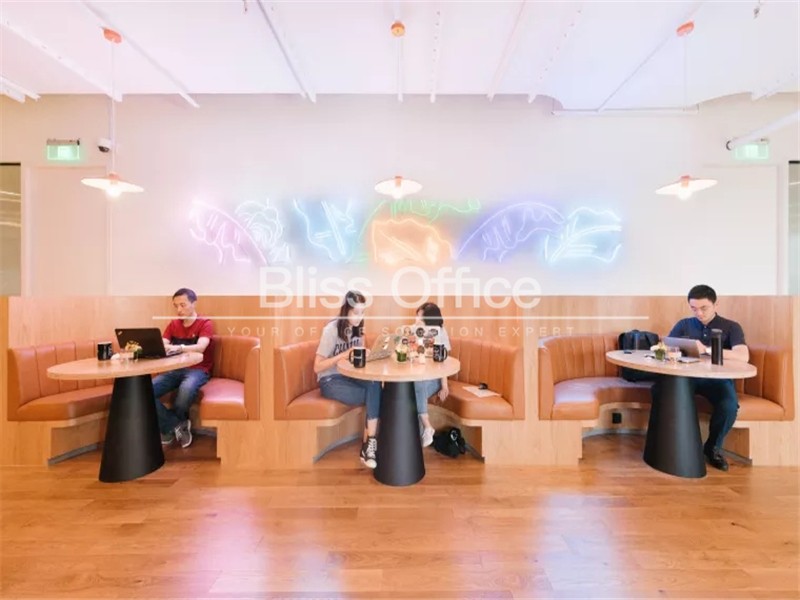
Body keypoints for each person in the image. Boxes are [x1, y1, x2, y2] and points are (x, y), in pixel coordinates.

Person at [658, 284, 749, 471]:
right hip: (687, 377)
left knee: (729, 406)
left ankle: (713, 447)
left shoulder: (731, 327)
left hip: (717, 380)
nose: (698, 313)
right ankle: (673, 445)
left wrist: (707, 349)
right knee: (660, 391)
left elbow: (743, 356)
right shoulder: (684, 324)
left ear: (716, 305)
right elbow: (666, 346)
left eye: (703, 308)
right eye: (694, 308)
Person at [314, 290, 382, 469]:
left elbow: (356, 356)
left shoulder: (358, 328)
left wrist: (367, 353)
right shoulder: (331, 330)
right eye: (356, 313)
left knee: (375, 384)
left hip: (350, 376)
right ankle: (369, 446)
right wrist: (343, 355)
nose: (360, 317)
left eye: (362, 312)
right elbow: (317, 367)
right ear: (346, 311)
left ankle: (369, 445)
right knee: (376, 395)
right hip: (330, 380)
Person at [152, 288, 214, 449]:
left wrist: (178, 347)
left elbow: (201, 347)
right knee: (145, 392)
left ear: (194, 303)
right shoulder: (173, 324)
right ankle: (176, 425)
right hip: (175, 369)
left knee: (185, 390)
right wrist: (164, 346)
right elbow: (163, 343)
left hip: (198, 370)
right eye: (176, 306)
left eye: (183, 305)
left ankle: (168, 428)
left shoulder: (205, 323)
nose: (179, 310)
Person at [412, 302, 450, 448]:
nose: (417, 320)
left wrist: (444, 385)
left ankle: (422, 433)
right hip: (416, 376)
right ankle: (426, 427)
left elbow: (444, 361)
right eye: (417, 316)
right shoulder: (414, 330)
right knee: (414, 385)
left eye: (420, 318)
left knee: (415, 388)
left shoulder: (440, 332)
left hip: (434, 379)